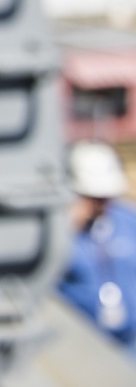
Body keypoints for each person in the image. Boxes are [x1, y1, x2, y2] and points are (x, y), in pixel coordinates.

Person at [58, 139, 136, 352]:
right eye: (93, 198)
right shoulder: (62, 233)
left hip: (129, 343)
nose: (101, 205)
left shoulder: (128, 222)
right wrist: (67, 226)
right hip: (83, 347)